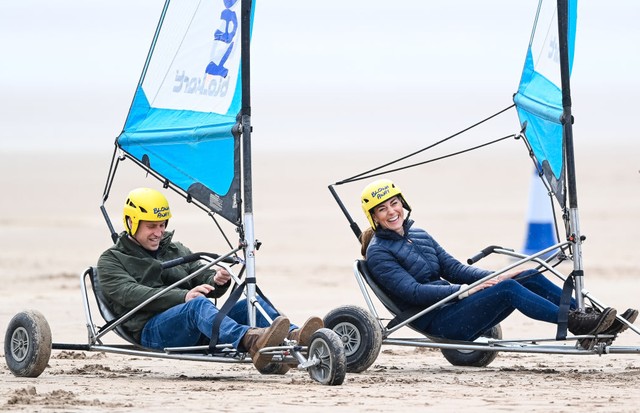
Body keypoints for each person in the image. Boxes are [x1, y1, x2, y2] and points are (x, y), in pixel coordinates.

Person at [359, 179, 638, 348]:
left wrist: (500, 274)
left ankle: (585, 315)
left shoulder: (418, 233)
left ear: (402, 203)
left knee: (523, 275)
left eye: (394, 203)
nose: (391, 212)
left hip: (454, 305)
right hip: (439, 320)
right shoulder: (379, 253)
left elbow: (455, 269)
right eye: (382, 209)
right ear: (374, 217)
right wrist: (465, 291)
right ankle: (577, 323)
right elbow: (414, 293)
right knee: (508, 291)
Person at [97, 187, 323, 373]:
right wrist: (183, 297)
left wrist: (216, 279)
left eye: (162, 224)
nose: (159, 232)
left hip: (193, 323)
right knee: (197, 306)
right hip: (151, 330)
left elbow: (199, 272)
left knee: (247, 304)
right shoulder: (111, 260)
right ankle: (253, 341)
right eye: (151, 226)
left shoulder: (175, 249)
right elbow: (131, 294)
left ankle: (297, 338)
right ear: (130, 222)